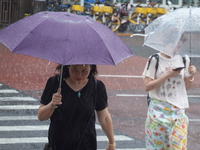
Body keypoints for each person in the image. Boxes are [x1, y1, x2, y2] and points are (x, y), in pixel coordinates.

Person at [38, 64, 115, 150]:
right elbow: (41, 116)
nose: (79, 75)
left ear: (91, 68)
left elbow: (104, 117)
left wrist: (111, 143)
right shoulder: (55, 83)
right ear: (68, 66)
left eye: (84, 71)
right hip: (58, 144)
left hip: (87, 145)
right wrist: (52, 104)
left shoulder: (97, 86)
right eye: (74, 70)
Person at [142, 36, 197, 149]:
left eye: (179, 46)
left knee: (179, 146)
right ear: (165, 43)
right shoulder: (154, 59)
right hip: (158, 111)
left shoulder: (184, 59)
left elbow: (185, 87)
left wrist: (191, 75)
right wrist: (168, 75)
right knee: (160, 147)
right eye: (174, 45)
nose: (176, 49)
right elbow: (147, 87)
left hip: (178, 111)